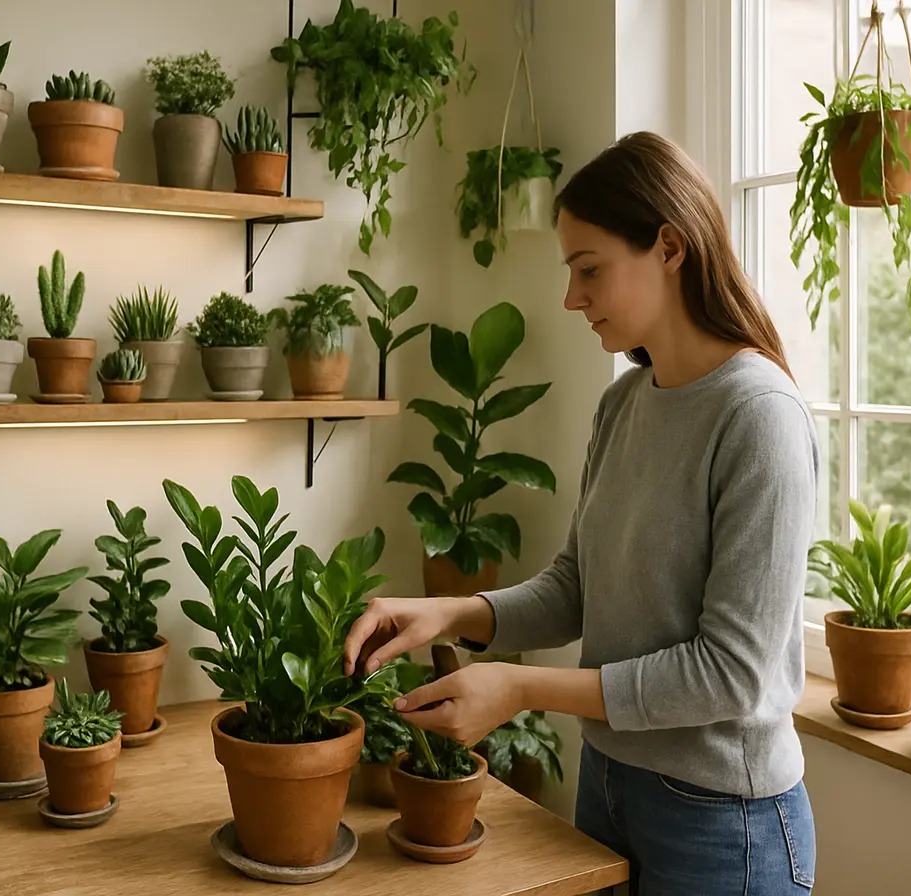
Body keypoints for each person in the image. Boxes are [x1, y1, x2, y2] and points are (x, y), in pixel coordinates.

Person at [343, 131, 819, 895]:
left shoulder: (759, 416)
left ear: (669, 247)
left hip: (723, 820)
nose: (572, 298)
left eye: (588, 269)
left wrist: (523, 690)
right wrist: (446, 613)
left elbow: (731, 674)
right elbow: (575, 588)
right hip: (608, 783)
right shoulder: (624, 402)